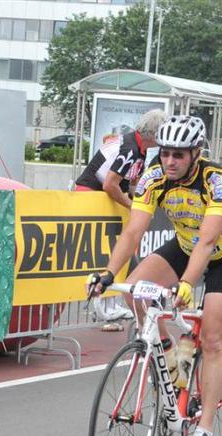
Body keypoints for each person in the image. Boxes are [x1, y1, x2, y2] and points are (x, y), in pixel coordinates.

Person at [86, 115, 222, 436]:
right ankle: (170, 357)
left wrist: (187, 283)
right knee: (133, 290)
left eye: (178, 154)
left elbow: (209, 241)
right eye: (164, 153)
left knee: (212, 338)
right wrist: (107, 273)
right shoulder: (154, 178)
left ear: (196, 153)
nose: (170, 161)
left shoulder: (216, 180)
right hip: (186, 244)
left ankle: (204, 431)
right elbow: (133, 232)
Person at [76, 109, 167, 327]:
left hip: (100, 198)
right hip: (90, 197)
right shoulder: (131, 148)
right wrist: (132, 205)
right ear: (154, 133)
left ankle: (111, 303)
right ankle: (104, 305)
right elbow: (110, 184)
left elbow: (131, 183)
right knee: (104, 253)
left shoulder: (140, 149)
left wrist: (140, 200)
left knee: (116, 251)